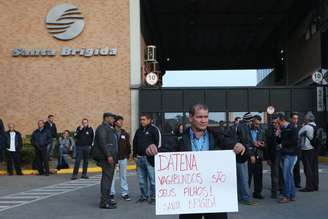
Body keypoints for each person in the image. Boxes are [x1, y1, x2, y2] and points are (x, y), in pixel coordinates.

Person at [146, 103, 247, 219]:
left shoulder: (218, 137)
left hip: (215, 199)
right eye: (199, 117)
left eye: (206, 117)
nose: (203, 120)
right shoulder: (179, 139)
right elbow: (159, 159)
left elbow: (240, 157)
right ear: (191, 118)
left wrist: (240, 148)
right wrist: (151, 152)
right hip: (189, 201)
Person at [226, 113, 256, 205]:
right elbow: (245, 142)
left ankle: (239, 197)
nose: (253, 122)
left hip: (237, 156)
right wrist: (251, 154)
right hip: (242, 156)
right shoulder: (244, 127)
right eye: (252, 120)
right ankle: (247, 198)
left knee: (239, 178)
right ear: (249, 120)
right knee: (244, 178)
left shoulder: (239, 126)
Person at [133, 113, 161, 205]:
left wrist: (154, 155)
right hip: (139, 158)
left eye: (143, 119)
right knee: (141, 180)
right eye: (141, 119)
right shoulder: (138, 131)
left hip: (150, 159)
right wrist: (134, 155)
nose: (141, 121)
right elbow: (135, 143)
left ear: (149, 120)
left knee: (152, 180)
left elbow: (158, 144)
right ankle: (144, 196)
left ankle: (154, 197)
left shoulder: (154, 129)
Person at [92, 112, 118, 209]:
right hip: (106, 158)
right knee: (106, 180)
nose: (113, 120)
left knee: (109, 179)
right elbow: (103, 143)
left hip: (111, 158)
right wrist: (108, 155)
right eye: (112, 118)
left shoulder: (110, 128)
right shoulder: (102, 128)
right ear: (106, 118)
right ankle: (104, 202)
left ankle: (107, 200)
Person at [276, 114, 298, 203]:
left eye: (278, 122)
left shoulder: (292, 127)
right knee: (289, 175)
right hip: (285, 153)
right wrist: (277, 135)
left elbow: (294, 140)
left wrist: (282, 144)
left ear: (282, 120)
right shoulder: (283, 129)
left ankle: (287, 196)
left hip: (290, 154)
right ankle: (292, 195)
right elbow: (279, 141)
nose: (277, 124)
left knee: (286, 175)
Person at [110, 115, 132, 201]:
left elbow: (128, 145)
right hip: (113, 158)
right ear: (115, 122)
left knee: (123, 176)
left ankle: (125, 193)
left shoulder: (125, 133)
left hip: (123, 158)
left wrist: (128, 154)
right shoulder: (110, 132)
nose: (121, 122)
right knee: (112, 176)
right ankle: (111, 193)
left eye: (122, 121)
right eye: (120, 121)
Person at [298, 112, 319, 192]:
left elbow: (298, 134)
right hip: (314, 149)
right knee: (314, 168)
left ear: (307, 119)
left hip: (307, 150)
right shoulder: (315, 125)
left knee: (308, 169)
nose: (304, 118)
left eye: (305, 117)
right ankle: (315, 185)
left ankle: (309, 187)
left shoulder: (306, 127)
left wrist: (303, 127)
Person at [265, 116, 284, 199]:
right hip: (274, 156)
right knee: (275, 175)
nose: (274, 124)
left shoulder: (283, 130)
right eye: (272, 123)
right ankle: (274, 192)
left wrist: (279, 135)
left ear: (279, 122)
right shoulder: (269, 132)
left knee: (283, 173)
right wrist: (268, 158)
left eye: (275, 122)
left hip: (283, 155)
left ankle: (282, 189)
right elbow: (267, 146)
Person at [248, 115, 266, 199]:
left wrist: (262, 144)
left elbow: (265, 143)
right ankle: (246, 193)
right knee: (247, 176)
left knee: (258, 175)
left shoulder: (262, 131)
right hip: (248, 156)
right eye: (255, 124)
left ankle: (257, 192)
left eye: (258, 124)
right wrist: (253, 143)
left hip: (258, 155)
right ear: (252, 122)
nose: (257, 126)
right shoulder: (247, 131)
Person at [291, 113, 301, 188]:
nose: (295, 120)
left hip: (297, 150)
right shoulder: (289, 127)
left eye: (297, 118)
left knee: (297, 167)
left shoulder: (300, 127)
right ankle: (290, 182)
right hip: (290, 149)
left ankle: (297, 182)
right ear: (291, 119)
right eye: (294, 118)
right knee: (290, 167)